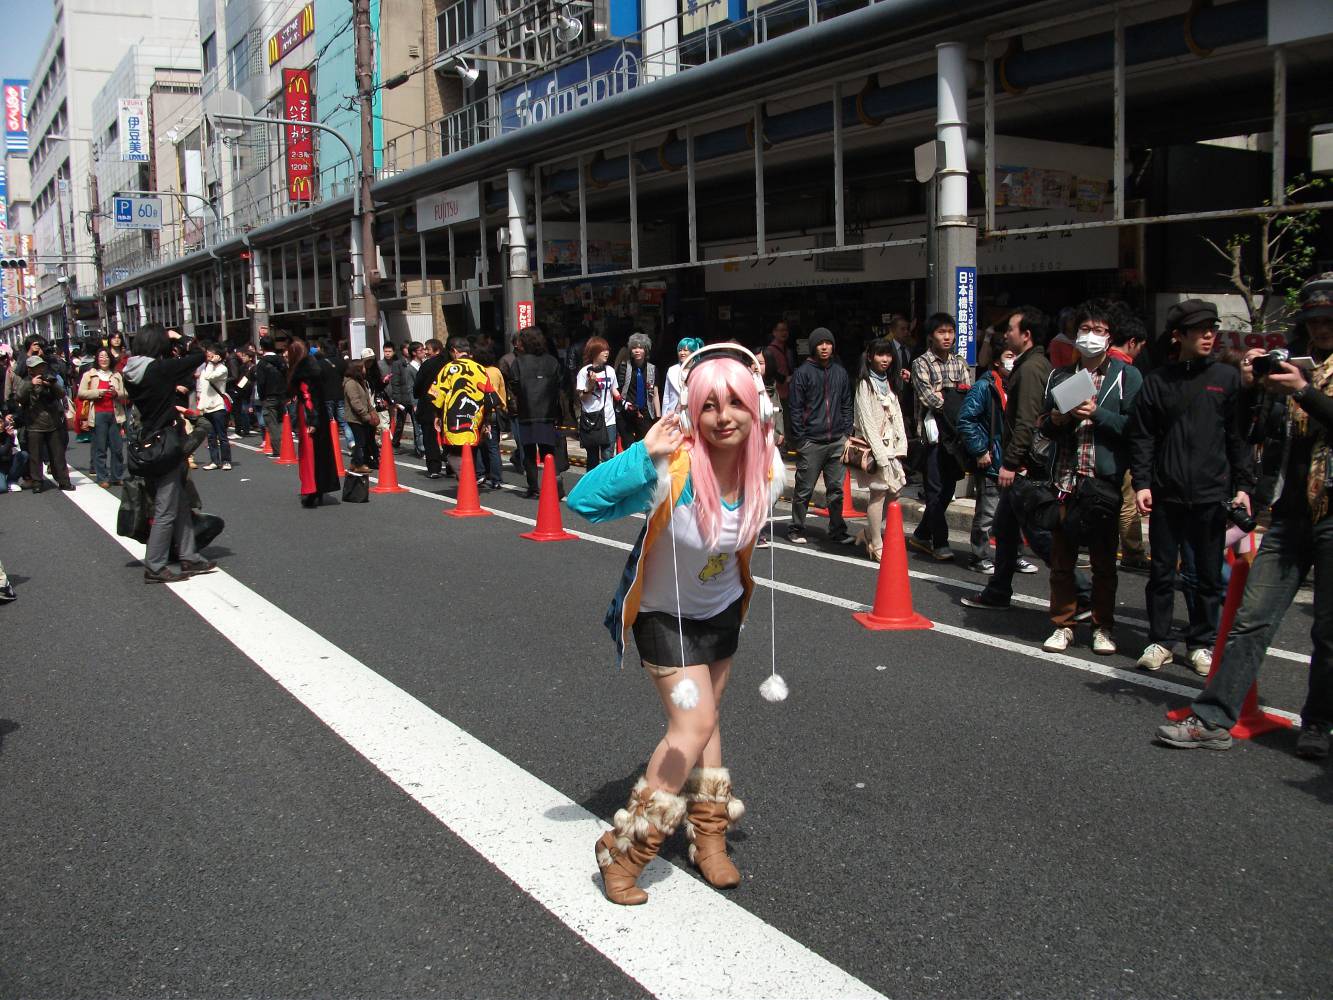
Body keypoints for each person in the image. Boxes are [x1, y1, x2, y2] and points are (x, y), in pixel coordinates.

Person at [567, 344, 782, 906]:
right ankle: (624, 850)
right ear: (691, 411)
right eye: (709, 405)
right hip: (665, 615)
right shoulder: (678, 468)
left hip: (722, 611)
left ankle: (709, 837)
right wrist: (643, 453)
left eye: (736, 403)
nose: (724, 417)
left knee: (707, 723)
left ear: (756, 407)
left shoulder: (766, 467)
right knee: (693, 723)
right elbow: (583, 501)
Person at [1157, 274, 1333, 759]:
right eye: (1314, 321)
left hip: (1331, 512)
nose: (1320, 329)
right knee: (1251, 619)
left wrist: (1305, 391)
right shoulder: (1293, 366)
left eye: (1328, 320)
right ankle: (1213, 717)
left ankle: (1319, 722)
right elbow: (1255, 435)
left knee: (1327, 630)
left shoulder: (1305, 380)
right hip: (1289, 513)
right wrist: (1255, 388)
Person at [1129, 299, 1254, 674]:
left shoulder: (1226, 378)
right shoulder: (1157, 381)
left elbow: (1237, 437)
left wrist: (1243, 485)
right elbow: (1143, 437)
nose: (1208, 335)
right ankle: (1160, 640)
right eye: (1200, 330)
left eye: (1212, 328)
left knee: (1207, 574)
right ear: (1178, 335)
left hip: (1212, 492)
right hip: (1166, 491)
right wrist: (1142, 482)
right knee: (1162, 572)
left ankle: (1201, 642)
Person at [1036, 300, 1142, 655]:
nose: (1091, 336)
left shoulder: (1126, 376)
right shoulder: (1061, 375)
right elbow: (1044, 425)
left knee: (1103, 563)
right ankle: (1063, 625)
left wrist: (1097, 413)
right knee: (1061, 562)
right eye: (1085, 329)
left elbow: (1136, 427)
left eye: (1099, 330)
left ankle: (1102, 627)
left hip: (1103, 482)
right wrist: (1057, 419)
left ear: (1110, 337)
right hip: (1065, 479)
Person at [122, 324, 217, 584]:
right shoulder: (158, 369)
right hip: (165, 443)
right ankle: (155, 565)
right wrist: (181, 338)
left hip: (149, 440)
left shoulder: (130, 370)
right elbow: (199, 355)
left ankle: (189, 555)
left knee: (179, 500)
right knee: (166, 507)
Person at [956, 335, 1037, 575]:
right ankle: (979, 556)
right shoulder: (985, 386)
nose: (1014, 361)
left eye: (1017, 356)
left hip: (1016, 461)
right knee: (988, 513)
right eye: (1009, 356)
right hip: (992, 461)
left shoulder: (1021, 384)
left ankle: (1015, 556)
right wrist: (980, 450)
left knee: (1017, 513)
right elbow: (966, 420)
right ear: (997, 362)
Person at [909, 313, 970, 560]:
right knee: (934, 490)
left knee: (948, 489)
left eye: (950, 332)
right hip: (932, 435)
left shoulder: (960, 362)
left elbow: (968, 396)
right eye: (941, 332)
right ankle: (940, 542)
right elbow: (930, 399)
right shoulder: (921, 363)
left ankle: (921, 533)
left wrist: (946, 394)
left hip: (954, 436)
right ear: (931, 336)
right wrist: (951, 396)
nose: (947, 337)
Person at [786, 327, 854, 546]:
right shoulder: (803, 373)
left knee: (836, 490)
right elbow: (795, 409)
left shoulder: (840, 372)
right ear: (813, 347)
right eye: (820, 343)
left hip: (837, 441)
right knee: (804, 489)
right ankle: (796, 528)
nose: (824, 347)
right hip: (811, 442)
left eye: (828, 343)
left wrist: (846, 433)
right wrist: (801, 440)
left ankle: (837, 530)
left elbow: (846, 404)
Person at [849, 338, 908, 561]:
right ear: (870, 356)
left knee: (895, 491)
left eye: (888, 355)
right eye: (880, 354)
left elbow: (897, 416)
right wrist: (880, 455)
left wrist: (901, 445)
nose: (885, 359)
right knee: (879, 493)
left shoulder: (888, 382)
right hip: (875, 448)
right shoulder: (865, 384)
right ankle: (876, 542)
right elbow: (866, 423)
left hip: (890, 447)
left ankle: (868, 533)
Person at [1106, 305, 1152, 573]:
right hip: (1122, 447)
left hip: (1097, 451)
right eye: (1140, 347)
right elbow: (1135, 419)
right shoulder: (1128, 372)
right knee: (1127, 502)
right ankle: (1133, 551)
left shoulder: (1095, 364)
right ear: (1132, 342)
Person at [506, 326, 564, 498]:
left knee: (529, 453)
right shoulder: (552, 361)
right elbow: (558, 385)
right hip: (548, 413)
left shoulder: (519, 362)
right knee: (548, 451)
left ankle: (533, 487)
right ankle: (554, 482)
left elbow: (514, 385)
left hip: (527, 412)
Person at [286, 338, 341, 508]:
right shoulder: (314, 366)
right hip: (320, 413)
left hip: (310, 415)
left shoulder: (303, 371)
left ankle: (311, 489)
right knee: (321, 453)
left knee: (309, 454)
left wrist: (312, 420)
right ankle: (320, 488)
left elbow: (308, 397)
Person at [16, 355, 74, 492]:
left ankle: (64, 481)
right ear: (30, 369)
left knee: (58, 455)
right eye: (36, 367)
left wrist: (52, 385)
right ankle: (37, 483)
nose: (40, 369)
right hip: (34, 424)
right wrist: (31, 384)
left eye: (41, 365)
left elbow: (62, 394)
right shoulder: (25, 381)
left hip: (53, 422)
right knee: (35, 456)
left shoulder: (50, 378)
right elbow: (19, 397)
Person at [77, 348, 128, 487]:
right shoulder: (89, 375)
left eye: (106, 357)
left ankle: (116, 476)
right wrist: (98, 392)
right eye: (101, 356)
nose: (104, 359)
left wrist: (116, 393)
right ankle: (102, 477)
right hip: (97, 414)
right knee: (100, 448)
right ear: (97, 359)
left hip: (115, 414)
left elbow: (125, 393)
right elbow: (81, 393)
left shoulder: (116, 375)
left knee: (117, 448)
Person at [576, 337, 620, 471]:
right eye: (602, 350)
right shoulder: (584, 372)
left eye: (607, 350)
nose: (606, 353)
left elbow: (614, 390)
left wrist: (623, 401)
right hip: (592, 419)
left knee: (608, 456)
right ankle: (593, 482)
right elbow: (582, 397)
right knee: (592, 458)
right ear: (594, 352)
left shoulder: (610, 370)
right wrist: (590, 385)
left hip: (609, 419)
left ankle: (607, 483)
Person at [413, 338, 450, 478]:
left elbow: (418, 384)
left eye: (428, 349)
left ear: (437, 350)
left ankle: (434, 468)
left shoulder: (427, 365)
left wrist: (418, 395)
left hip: (429, 404)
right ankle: (451, 465)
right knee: (448, 435)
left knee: (430, 437)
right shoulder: (449, 364)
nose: (426, 352)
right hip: (447, 405)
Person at [616, 331, 660, 445]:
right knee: (628, 445)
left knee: (643, 445)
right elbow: (616, 390)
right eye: (634, 348)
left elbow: (655, 394)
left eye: (640, 348)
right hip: (626, 412)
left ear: (646, 350)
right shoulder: (624, 367)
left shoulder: (652, 369)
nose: (637, 350)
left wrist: (658, 416)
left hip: (644, 412)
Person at [194, 343, 233, 471]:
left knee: (222, 436)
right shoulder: (206, 368)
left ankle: (226, 460)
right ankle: (215, 461)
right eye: (208, 354)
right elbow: (202, 388)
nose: (209, 356)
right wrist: (200, 405)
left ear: (218, 356)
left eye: (211, 354)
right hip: (207, 407)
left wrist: (211, 364)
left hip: (218, 406)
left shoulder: (222, 369)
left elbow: (209, 377)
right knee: (211, 436)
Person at [762, 320, 797, 445]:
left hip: (788, 392)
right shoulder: (770, 350)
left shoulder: (788, 349)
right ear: (774, 332)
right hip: (776, 392)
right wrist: (784, 379)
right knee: (778, 420)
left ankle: (787, 444)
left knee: (787, 420)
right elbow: (770, 370)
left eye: (786, 330)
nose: (784, 333)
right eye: (781, 330)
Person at [343, 359, 378, 473]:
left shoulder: (360, 382)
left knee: (364, 440)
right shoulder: (351, 383)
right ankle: (358, 464)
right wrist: (366, 415)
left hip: (362, 417)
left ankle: (355, 462)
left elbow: (367, 401)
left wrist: (372, 412)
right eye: (362, 367)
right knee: (360, 442)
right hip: (355, 418)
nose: (365, 369)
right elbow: (355, 402)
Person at [255, 336, 287, 455]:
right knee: (282, 421)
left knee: (272, 424)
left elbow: (261, 383)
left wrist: (262, 397)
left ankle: (278, 450)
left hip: (269, 396)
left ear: (262, 347)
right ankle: (286, 447)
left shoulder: (262, 363)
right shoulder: (281, 360)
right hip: (282, 395)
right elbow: (287, 377)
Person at [663, 337, 704, 415]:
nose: (682, 353)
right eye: (680, 350)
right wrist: (664, 415)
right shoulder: (672, 370)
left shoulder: (700, 369)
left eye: (685, 350)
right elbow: (666, 395)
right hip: (673, 414)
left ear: (693, 352)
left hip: (693, 413)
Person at [1, 411, 27, 492]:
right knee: (2, 488)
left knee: (24, 455)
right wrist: (9, 437)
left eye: (1, 422)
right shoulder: (8, 435)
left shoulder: (6, 431)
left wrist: (11, 436)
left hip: (6, 462)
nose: (0, 425)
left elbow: (12, 447)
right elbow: (2, 452)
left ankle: (11, 480)